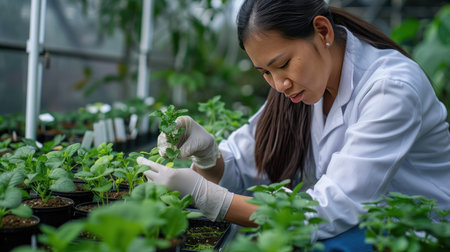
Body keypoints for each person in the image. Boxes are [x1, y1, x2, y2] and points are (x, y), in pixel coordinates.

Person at [137, 0, 450, 250]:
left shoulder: (390, 88)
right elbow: (248, 162)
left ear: (323, 31)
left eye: (282, 64)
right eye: (265, 72)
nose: (278, 84)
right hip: (352, 225)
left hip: (413, 233)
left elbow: (331, 209)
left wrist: (210, 198)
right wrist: (208, 156)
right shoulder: (303, 85)